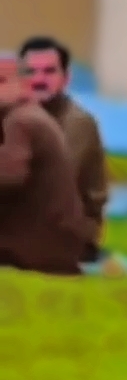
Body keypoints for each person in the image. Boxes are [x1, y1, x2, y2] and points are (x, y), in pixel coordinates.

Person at [19, 36, 108, 262]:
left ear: (65, 78)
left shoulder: (77, 123)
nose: (39, 79)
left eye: (49, 71)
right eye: (30, 72)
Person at [0, 52, 87, 275]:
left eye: (1, 82)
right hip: (54, 241)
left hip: (37, 246)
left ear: (24, 85)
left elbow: (9, 178)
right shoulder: (26, 116)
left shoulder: (21, 121)